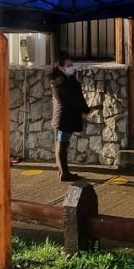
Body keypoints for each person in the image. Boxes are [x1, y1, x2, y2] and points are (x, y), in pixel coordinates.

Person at [50, 51, 88, 181]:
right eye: (69, 65)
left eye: (72, 64)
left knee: (62, 143)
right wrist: (85, 109)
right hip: (66, 116)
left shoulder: (64, 79)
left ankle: (62, 171)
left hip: (65, 115)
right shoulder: (62, 82)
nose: (72, 67)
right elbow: (74, 98)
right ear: (61, 67)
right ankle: (64, 173)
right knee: (62, 143)